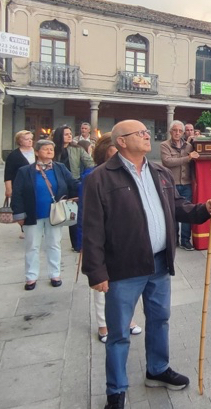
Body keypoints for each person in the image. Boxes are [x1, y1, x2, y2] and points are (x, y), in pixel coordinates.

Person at [82, 120, 211, 408]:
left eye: (147, 132)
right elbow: (92, 228)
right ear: (121, 141)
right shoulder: (101, 177)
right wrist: (96, 271)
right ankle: (116, 390)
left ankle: (157, 369)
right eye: (140, 133)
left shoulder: (159, 171)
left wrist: (203, 209)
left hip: (159, 263)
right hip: (123, 268)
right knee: (119, 333)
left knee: (160, 320)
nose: (148, 136)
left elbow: (178, 206)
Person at [80, 133, 142, 343]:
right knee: (103, 286)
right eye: (115, 151)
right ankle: (103, 324)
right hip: (104, 240)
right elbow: (87, 216)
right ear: (106, 151)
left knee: (127, 285)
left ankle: (128, 319)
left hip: (128, 239)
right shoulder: (94, 175)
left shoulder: (131, 173)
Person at [11, 140, 79, 290]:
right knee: (32, 246)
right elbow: (17, 193)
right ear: (36, 152)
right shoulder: (25, 171)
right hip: (32, 214)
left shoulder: (60, 168)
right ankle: (31, 277)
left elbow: (73, 184)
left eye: (51, 149)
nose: (49, 152)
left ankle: (55, 274)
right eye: (46, 149)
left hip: (55, 214)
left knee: (54, 244)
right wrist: (19, 215)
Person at [159, 121, 200, 251]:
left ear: (183, 133)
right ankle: (174, 239)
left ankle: (185, 240)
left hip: (186, 184)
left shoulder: (189, 146)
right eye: (174, 130)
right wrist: (188, 158)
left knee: (187, 213)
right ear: (170, 132)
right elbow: (168, 161)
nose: (177, 133)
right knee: (173, 213)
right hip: (171, 184)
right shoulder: (164, 145)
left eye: (180, 131)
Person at [53, 125, 95, 252]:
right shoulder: (53, 149)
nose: (69, 136)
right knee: (56, 211)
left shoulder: (77, 149)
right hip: (56, 183)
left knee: (74, 214)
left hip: (74, 182)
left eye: (70, 133)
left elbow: (89, 162)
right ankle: (53, 241)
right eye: (66, 134)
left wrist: (86, 177)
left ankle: (76, 244)